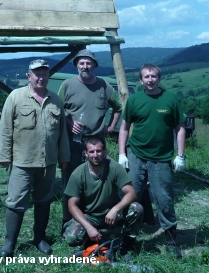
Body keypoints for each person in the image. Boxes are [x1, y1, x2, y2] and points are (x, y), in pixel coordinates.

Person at [0, 59, 70, 257]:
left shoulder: (55, 100)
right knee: (15, 201)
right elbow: (4, 128)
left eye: (44, 73)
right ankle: (10, 243)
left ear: (48, 76)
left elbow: (62, 133)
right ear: (29, 76)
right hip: (22, 161)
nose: (41, 77)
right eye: (37, 73)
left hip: (49, 162)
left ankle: (40, 238)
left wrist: (64, 157)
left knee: (44, 200)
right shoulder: (16, 97)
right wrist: (4, 156)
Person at [118, 63, 186, 259]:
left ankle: (171, 241)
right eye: (146, 77)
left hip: (162, 158)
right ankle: (127, 240)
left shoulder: (170, 99)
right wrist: (122, 154)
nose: (150, 80)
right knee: (130, 197)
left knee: (164, 199)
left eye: (153, 76)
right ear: (141, 80)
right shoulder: (134, 100)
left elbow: (180, 128)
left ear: (159, 78)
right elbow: (124, 128)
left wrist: (180, 155)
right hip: (136, 155)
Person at [58, 49, 123, 227]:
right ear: (76, 65)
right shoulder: (67, 85)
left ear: (94, 65)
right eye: (81, 63)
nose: (85, 66)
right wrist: (69, 123)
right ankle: (68, 221)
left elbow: (118, 107)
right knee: (71, 181)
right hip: (73, 142)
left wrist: (110, 127)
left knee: (99, 180)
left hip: (96, 143)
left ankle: (96, 218)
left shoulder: (104, 86)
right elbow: (58, 110)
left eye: (88, 63)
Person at [63, 137, 143, 254]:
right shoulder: (78, 173)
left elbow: (131, 193)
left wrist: (116, 209)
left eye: (99, 151)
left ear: (104, 151)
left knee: (137, 208)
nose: (95, 155)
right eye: (91, 152)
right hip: (89, 215)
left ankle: (127, 246)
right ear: (86, 154)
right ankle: (90, 240)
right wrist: (88, 227)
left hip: (111, 214)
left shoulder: (114, 168)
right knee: (72, 238)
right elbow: (72, 206)